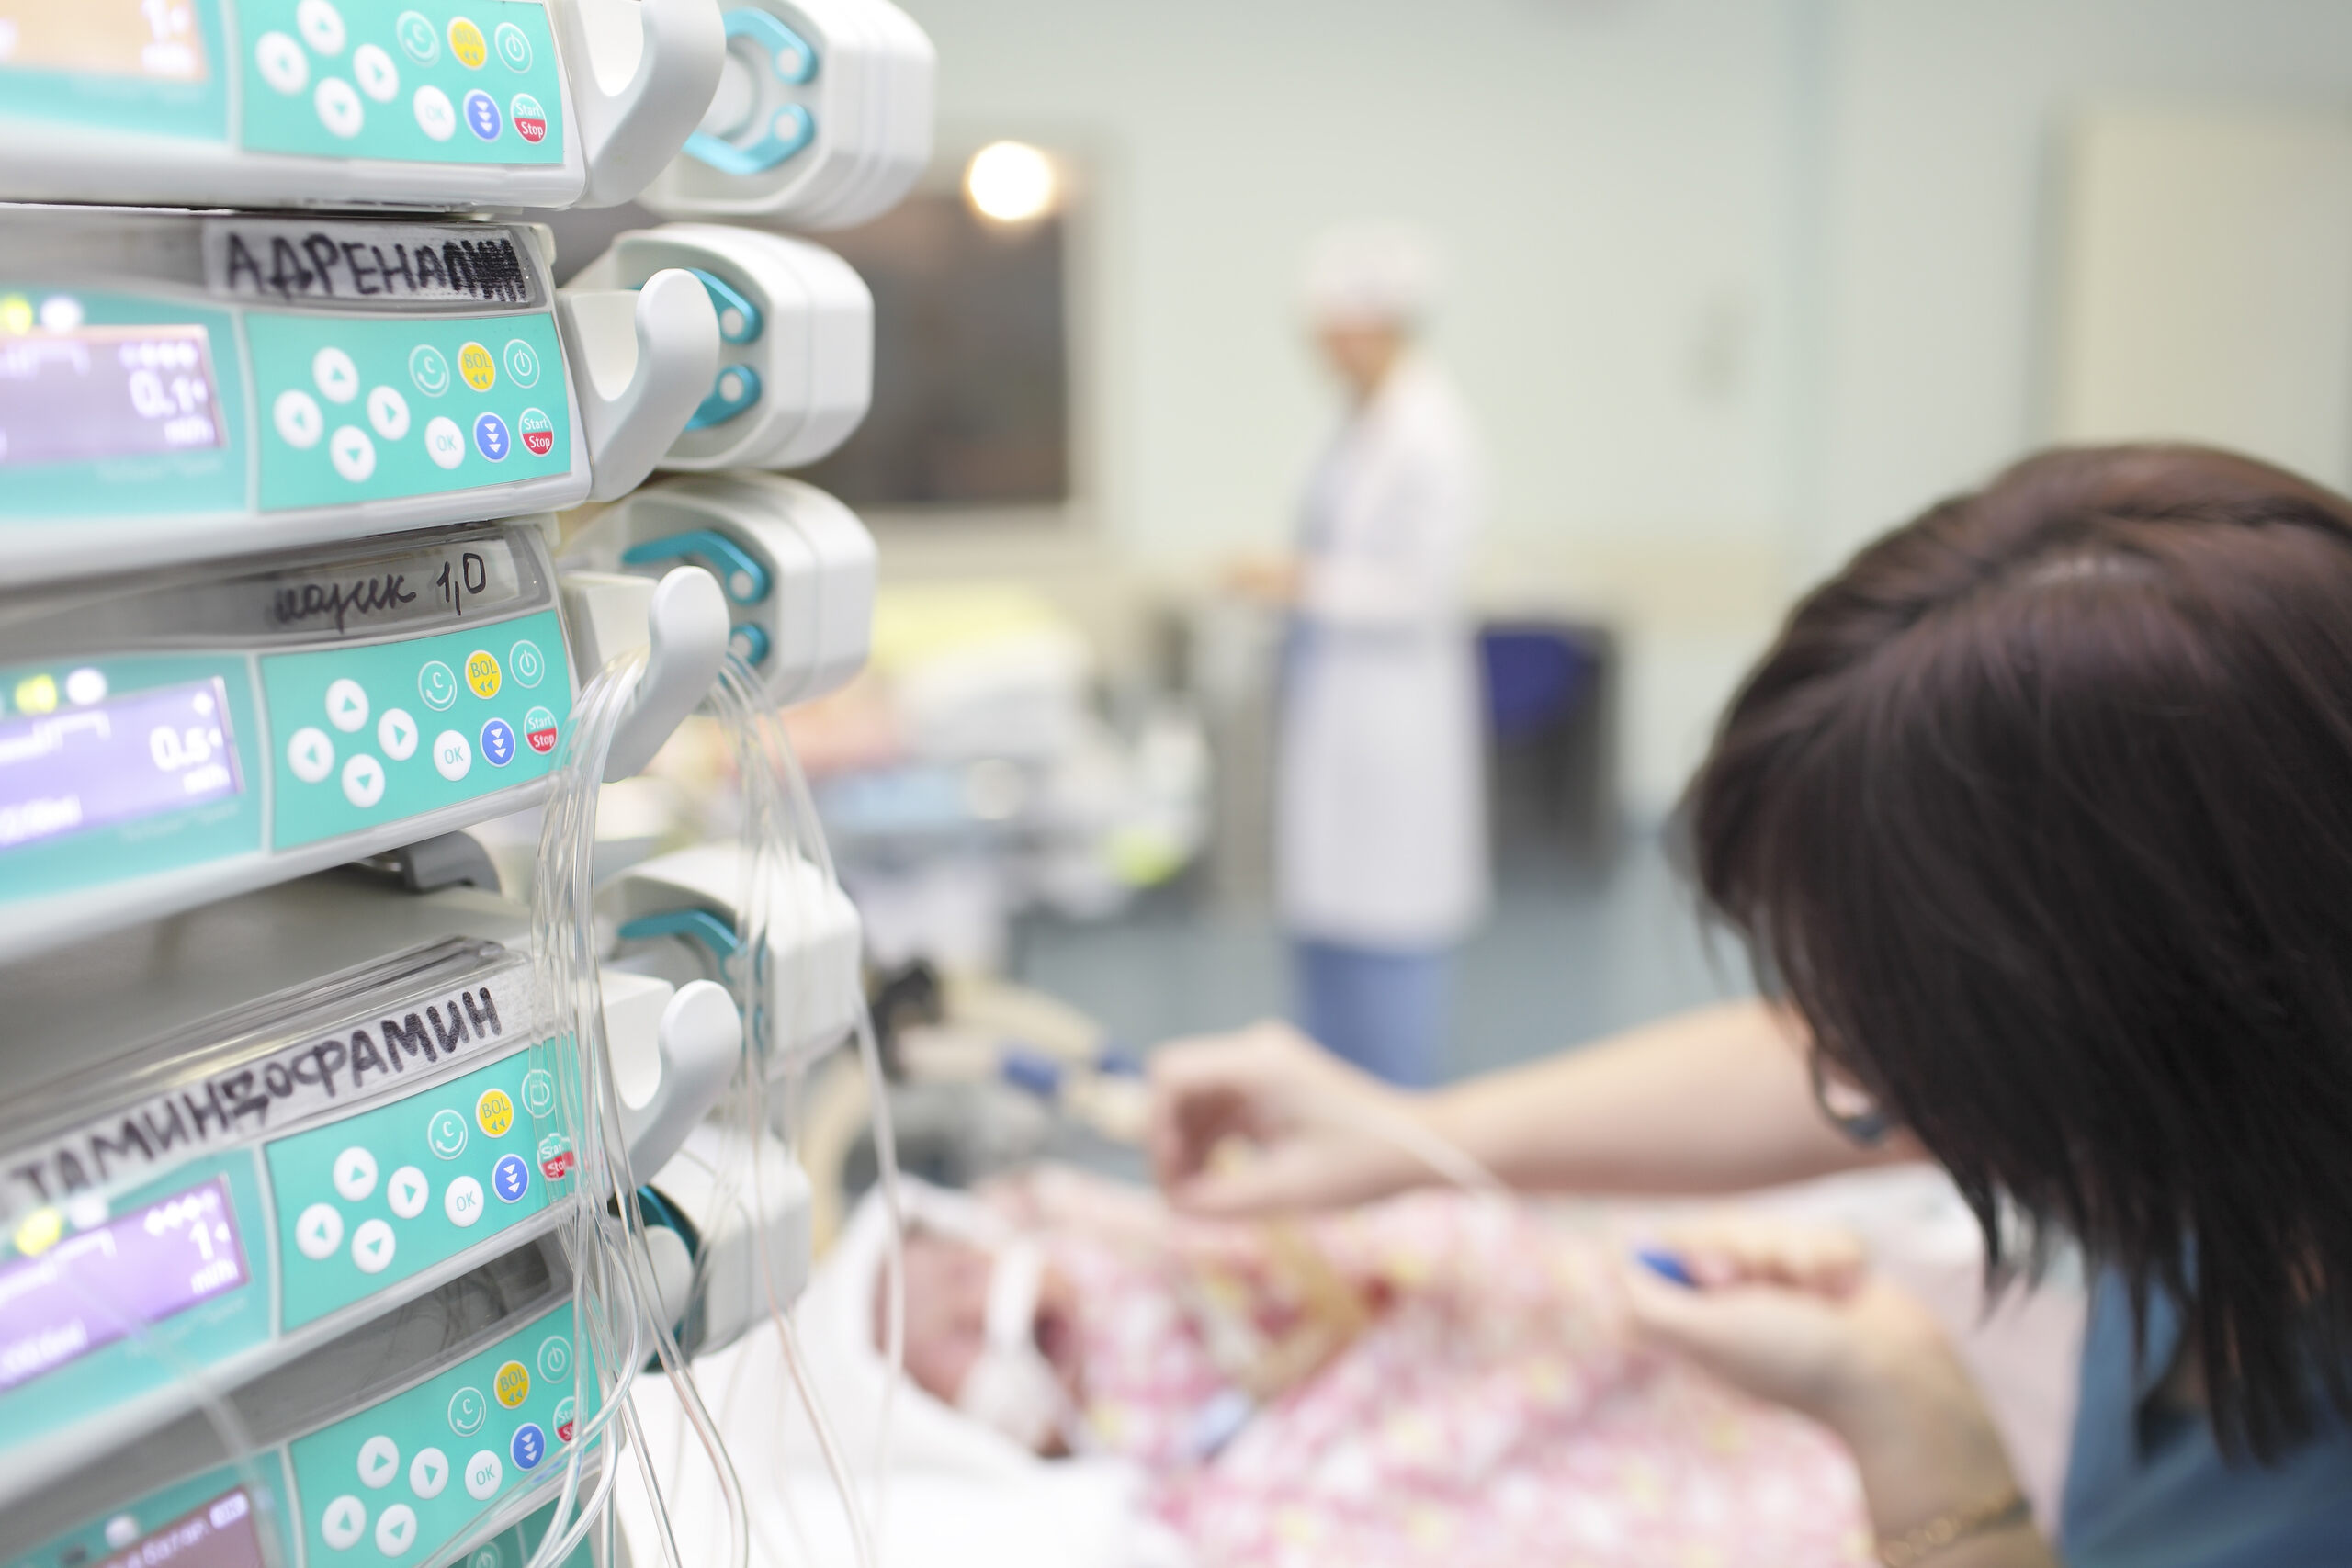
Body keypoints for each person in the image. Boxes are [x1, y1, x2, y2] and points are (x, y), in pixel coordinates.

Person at [1153, 445, 2352, 1566]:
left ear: (2172, 1009)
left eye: (1912, 1038)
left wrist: (1936, 1454)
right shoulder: (2243, 1144)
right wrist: (1411, 1134)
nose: (1852, 1091)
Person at [1226, 222, 1490, 1088]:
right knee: (1330, 955)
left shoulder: (1431, 431)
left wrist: (1300, 581)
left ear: (1375, 328)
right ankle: (1332, 1125)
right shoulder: (1363, 423)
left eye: (1332, 335)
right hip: (1340, 718)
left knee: (1388, 964)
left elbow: (1422, 592)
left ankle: (1391, 1152)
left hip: (1393, 726)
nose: (1322, 354)